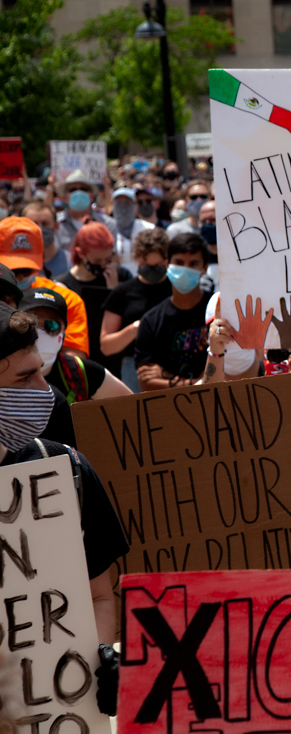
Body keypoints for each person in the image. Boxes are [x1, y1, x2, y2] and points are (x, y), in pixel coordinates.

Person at [0, 301, 129, 713]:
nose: (46, 391)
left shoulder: (63, 468)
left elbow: (99, 597)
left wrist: (102, 656)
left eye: (41, 369)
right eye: (26, 377)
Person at [20, 287, 131, 402]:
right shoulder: (4, 368)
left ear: (63, 334)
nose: (40, 332)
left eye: (51, 326)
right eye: (32, 323)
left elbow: (133, 406)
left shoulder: (81, 372)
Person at [0, 216, 90, 357]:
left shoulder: (66, 300)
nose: (20, 277)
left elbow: (75, 359)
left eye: (27, 269)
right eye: (13, 271)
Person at [133, 233, 213, 388]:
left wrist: (166, 376)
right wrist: (198, 382)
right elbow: (146, 383)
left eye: (193, 263)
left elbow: (228, 369)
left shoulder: (218, 311)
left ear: (205, 268)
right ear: (167, 264)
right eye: (179, 262)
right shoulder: (151, 321)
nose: (185, 269)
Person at [100, 227, 172, 392]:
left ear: (167, 261)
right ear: (135, 259)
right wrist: (135, 329)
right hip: (135, 367)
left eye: (158, 266)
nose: (152, 271)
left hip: (172, 362)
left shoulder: (176, 289)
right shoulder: (123, 293)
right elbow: (106, 346)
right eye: (146, 266)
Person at [55, 221, 131, 376]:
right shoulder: (64, 284)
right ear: (81, 254)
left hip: (114, 359)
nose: (103, 265)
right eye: (97, 261)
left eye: (108, 260)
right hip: (81, 359)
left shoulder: (121, 276)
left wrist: (114, 292)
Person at [56, 169, 116, 253]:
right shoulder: (54, 223)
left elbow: (112, 256)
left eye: (83, 189)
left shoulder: (108, 224)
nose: (78, 192)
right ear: (65, 197)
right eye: (73, 190)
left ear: (91, 196)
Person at [109, 187, 157, 273]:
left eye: (127, 203)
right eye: (119, 203)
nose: (123, 208)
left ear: (135, 206)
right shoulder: (107, 229)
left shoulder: (149, 229)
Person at [19, 201, 68, 277]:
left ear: (56, 226)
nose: (39, 229)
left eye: (45, 223)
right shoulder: (16, 265)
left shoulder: (70, 262)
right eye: (34, 224)